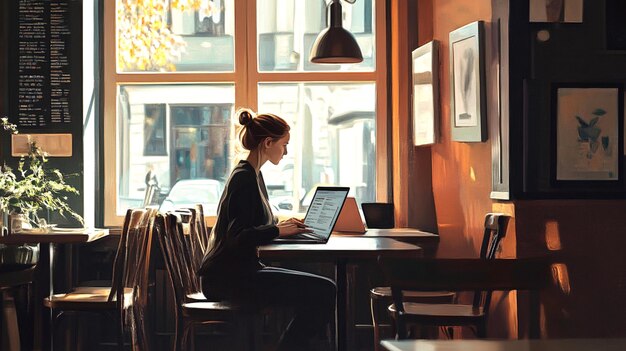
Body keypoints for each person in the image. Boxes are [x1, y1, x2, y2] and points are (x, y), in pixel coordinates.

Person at [198, 108, 336, 351]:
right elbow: (237, 238)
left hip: (240, 272)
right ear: (268, 142)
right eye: (284, 145)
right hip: (229, 279)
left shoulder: (253, 174)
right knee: (325, 290)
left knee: (321, 288)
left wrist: (282, 226)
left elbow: (252, 225)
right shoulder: (244, 178)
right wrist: (278, 231)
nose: (286, 152)